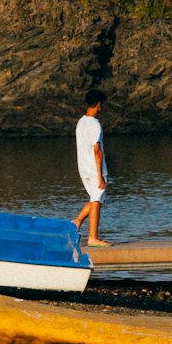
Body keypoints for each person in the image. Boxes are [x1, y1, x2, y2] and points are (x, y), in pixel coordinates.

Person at [74, 88, 110, 245]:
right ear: (99, 105)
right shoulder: (95, 124)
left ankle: (76, 222)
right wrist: (100, 174)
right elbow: (97, 150)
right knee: (97, 201)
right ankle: (93, 237)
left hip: (83, 168)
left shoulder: (81, 122)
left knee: (95, 198)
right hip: (94, 168)